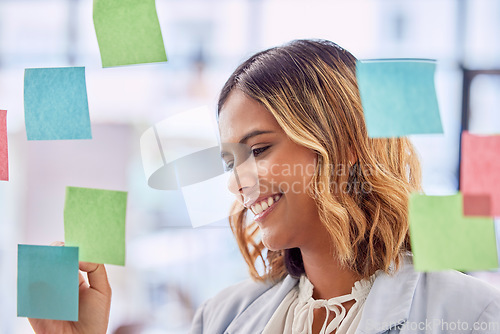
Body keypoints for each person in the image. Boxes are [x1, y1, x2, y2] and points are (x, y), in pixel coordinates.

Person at [28, 39, 500, 334]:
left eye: (258, 150)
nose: (238, 182)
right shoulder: (223, 317)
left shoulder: (470, 315)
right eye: (230, 161)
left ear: (345, 145)